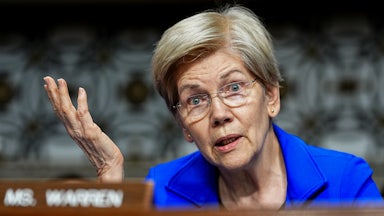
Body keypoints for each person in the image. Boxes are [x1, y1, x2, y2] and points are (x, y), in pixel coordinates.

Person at [43, 4, 383, 211]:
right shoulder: (160, 192)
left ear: (271, 97)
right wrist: (110, 178)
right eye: (195, 100)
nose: (219, 114)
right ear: (183, 125)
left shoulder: (345, 183)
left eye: (234, 88)